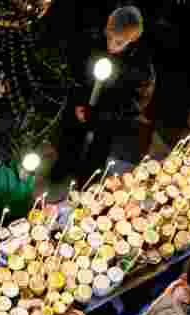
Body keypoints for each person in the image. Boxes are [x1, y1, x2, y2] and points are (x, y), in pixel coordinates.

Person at [52, 6, 156, 185]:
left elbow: (137, 102)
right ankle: (64, 166)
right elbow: (74, 70)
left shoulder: (140, 64)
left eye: (119, 42)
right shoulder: (91, 39)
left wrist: (102, 116)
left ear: (132, 39)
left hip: (108, 116)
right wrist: (77, 100)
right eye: (109, 38)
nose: (111, 45)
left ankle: (88, 180)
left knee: (99, 149)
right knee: (70, 137)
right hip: (81, 104)